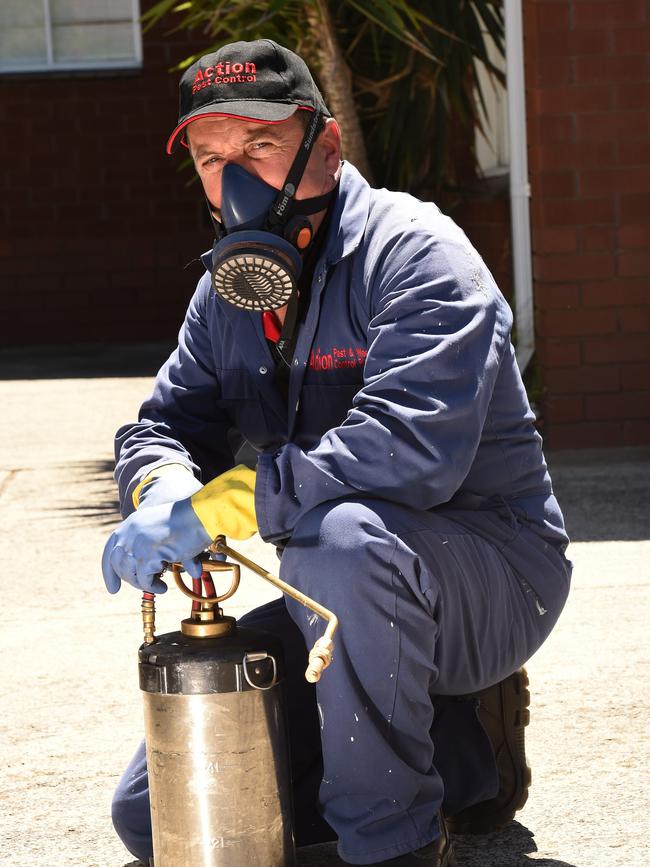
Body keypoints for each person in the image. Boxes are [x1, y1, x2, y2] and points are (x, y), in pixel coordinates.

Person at [102, 39, 571, 867]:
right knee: (159, 816)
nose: (235, 179)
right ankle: (464, 750)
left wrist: (220, 506)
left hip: (493, 570)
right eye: (213, 159)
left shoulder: (417, 253)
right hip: (337, 590)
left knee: (343, 540)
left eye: (259, 147)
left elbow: (409, 450)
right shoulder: (226, 297)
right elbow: (163, 422)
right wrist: (162, 487)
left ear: (325, 145)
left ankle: (395, 843)